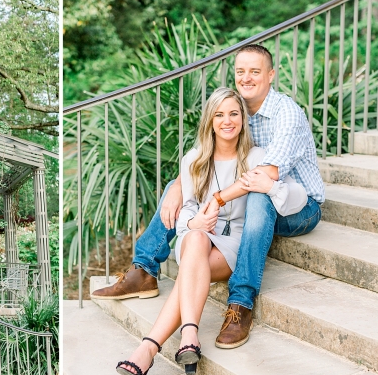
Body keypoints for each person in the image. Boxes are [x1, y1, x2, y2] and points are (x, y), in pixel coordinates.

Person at [93, 44, 325, 350]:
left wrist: (215, 200)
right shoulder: (238, 107)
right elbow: (209, 158)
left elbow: (263, 174)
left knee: (258, 196)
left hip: (299, 205)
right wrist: (179, 184)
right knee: (174, 191)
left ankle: (241, 302)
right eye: (241, 71)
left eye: (255, 71)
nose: (246, 78)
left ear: (270, 75)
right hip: (254, 198)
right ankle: (145, 269)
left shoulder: (286, 114)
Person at [116, 87, 308, 375]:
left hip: (234, 247)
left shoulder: (259, 157)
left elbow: (296, 196)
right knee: (194, 238)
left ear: (243, 119)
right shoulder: (194, 160)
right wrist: (195, 219)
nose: (227, 121)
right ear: (210, 120)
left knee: (190, 272)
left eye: (234, 113)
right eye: (219, 114)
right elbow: (184, 215)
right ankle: (188, 333)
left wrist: (270, 187)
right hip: (197, 241)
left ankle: (149, 347)